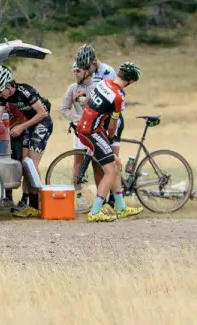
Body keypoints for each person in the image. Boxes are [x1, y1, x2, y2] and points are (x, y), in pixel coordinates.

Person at [76, 62, 144, 222]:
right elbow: (113, 126)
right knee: (111, 171)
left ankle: (120, 207)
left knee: (115, 166)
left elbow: (88, 102)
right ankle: (95, 211)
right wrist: (110, 142)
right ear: (131, 81)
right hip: (92, 132)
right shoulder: (119, 97)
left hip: (86, 128)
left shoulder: (104, 83)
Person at [0, 65, 53, 218]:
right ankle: (30, 204)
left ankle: (38, 205)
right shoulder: (4, 95)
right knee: (25, 164)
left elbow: (42, 113)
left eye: (0, 91)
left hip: (42, 123)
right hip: (30, 124)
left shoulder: (26, 91)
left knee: (32, 164)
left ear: (9, 86)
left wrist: (22, 127)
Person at [75, 44, 124, 211]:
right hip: (98, 122)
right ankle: (113, 204)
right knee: (104, 163)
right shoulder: (94, 73)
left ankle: (112, 202)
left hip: (110, 120)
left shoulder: (107, 72)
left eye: (87, 68)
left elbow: (112, 100)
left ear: (95, 62)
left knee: (112, 164)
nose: (86, 71)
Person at [60, 61, 99, 209]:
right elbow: (63, 108)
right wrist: (77, 119)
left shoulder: (97, 87)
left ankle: (100, 197)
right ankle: (79, 196)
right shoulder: (72, 88)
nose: (75, 73)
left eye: (78, 70)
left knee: (97, 163)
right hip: (80, 130)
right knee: (78, 161)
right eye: (74, 71)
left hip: (96, 129)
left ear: (87, 71)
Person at [0, 86, 25, 208]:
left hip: (17, 132)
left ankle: (25, 198)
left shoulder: (14, 98)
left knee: (20, 163)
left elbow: (22, 119)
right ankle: (8, 197)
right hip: (3, 132)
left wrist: (10, 130)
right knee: (7, 162)